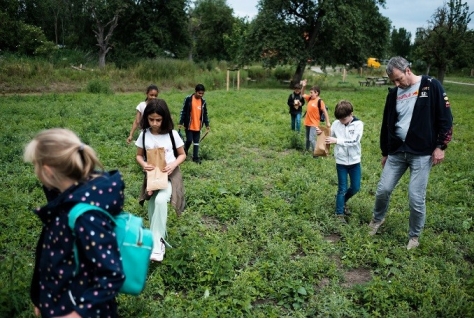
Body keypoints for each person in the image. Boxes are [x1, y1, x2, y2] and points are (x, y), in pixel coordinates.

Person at [24, 128, 125, 318]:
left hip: (77, 310)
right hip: (59, 302)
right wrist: (41, 298)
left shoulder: (84, 215)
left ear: (46, 171)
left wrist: (77, 314)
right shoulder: (65, 203)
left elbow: (111, 274)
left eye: (35, 165)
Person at [368, 56, 453, 250]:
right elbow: (386, 124)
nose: (397, 84)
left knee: (416, 197)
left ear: (408, 70)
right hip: (397, 151)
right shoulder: (393, 94)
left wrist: (441, 146)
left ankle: (414, 236)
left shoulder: (431, 86)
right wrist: (385, 151)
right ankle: (377, 219)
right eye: (393, 81)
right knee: (383, 189)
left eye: (399, 79)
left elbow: (446, 118)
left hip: (422, 153)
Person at [135, 98, 186, 262]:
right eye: (151, 119)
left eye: (158, 119)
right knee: (151, 206)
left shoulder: (173, 134)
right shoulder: (144, 135)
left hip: (169, 175)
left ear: (165, 118)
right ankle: (157, 240)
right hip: (152, 176)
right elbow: (138, 155)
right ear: (146, 118)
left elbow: (182, 154)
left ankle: (157, 244)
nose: (155, 123)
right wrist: (144, 164)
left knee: (160, 201)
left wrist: (172, 165)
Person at [322, 100, 363, 222]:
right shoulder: (336, 123)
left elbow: (354, 141)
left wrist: (337, 141)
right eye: (340, 119)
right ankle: (339, 214)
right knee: (342, 188)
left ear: (351, 114)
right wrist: (322, 132)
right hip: (341, 162)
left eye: (344, 119)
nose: (341, 122)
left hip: (355, 162)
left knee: (355, 187)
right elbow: (329, 135)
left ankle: (342, 200)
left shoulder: (358, 124)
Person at [178, 83, 210, 163]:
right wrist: (181, 122)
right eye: (199, 93)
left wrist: (207, 124)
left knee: (196, 142)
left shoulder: (203, 102)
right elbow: (184, 111)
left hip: (198, 125)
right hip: (189, 125)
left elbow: (205, 113)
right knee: (189, 140)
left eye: (202, 93)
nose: (201, 95)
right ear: (195, 91)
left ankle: (195, 158)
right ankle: (184, 152)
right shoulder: (188, 99)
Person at [302, 80, 331, 155]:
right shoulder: (309, 98)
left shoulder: (320, 101)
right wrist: (303, 86)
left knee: (311, 139)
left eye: (312, 92)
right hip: (307, 122)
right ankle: (307, 150)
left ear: (317, 93)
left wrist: (327, 122)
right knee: (307, 138)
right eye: (310, 92)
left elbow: (325, 111)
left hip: (314, 123)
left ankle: (316, 153)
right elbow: (302, 94)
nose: (310, 94)